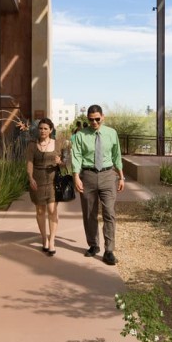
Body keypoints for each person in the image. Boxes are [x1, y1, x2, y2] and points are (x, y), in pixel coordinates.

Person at [71, 104, 125, 265]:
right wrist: (76, 177)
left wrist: (121, 177)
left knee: (109, 213)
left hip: (108, 176)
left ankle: (109, 250)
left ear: (103, 117)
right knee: (89, 213)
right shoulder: (81, 135)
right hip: (87, 176)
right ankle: (94, 245)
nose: (94, 122)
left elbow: (117, 155)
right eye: (91, 119)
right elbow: (76, 156)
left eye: (97, 119)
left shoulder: (111, 133)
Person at [25, 117, 65, 255]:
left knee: (52, 210)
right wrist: (30, 178)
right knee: (40, 211)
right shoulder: (32, 145)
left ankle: (52, 240)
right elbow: (29, 162)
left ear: (51, 130)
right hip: (37, 181)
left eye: (45, 129)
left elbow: (66, 163)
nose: (42, 131)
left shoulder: (57, 143)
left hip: (53, 182)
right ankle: (44, 238)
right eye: (40, 128)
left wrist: (60, 162)